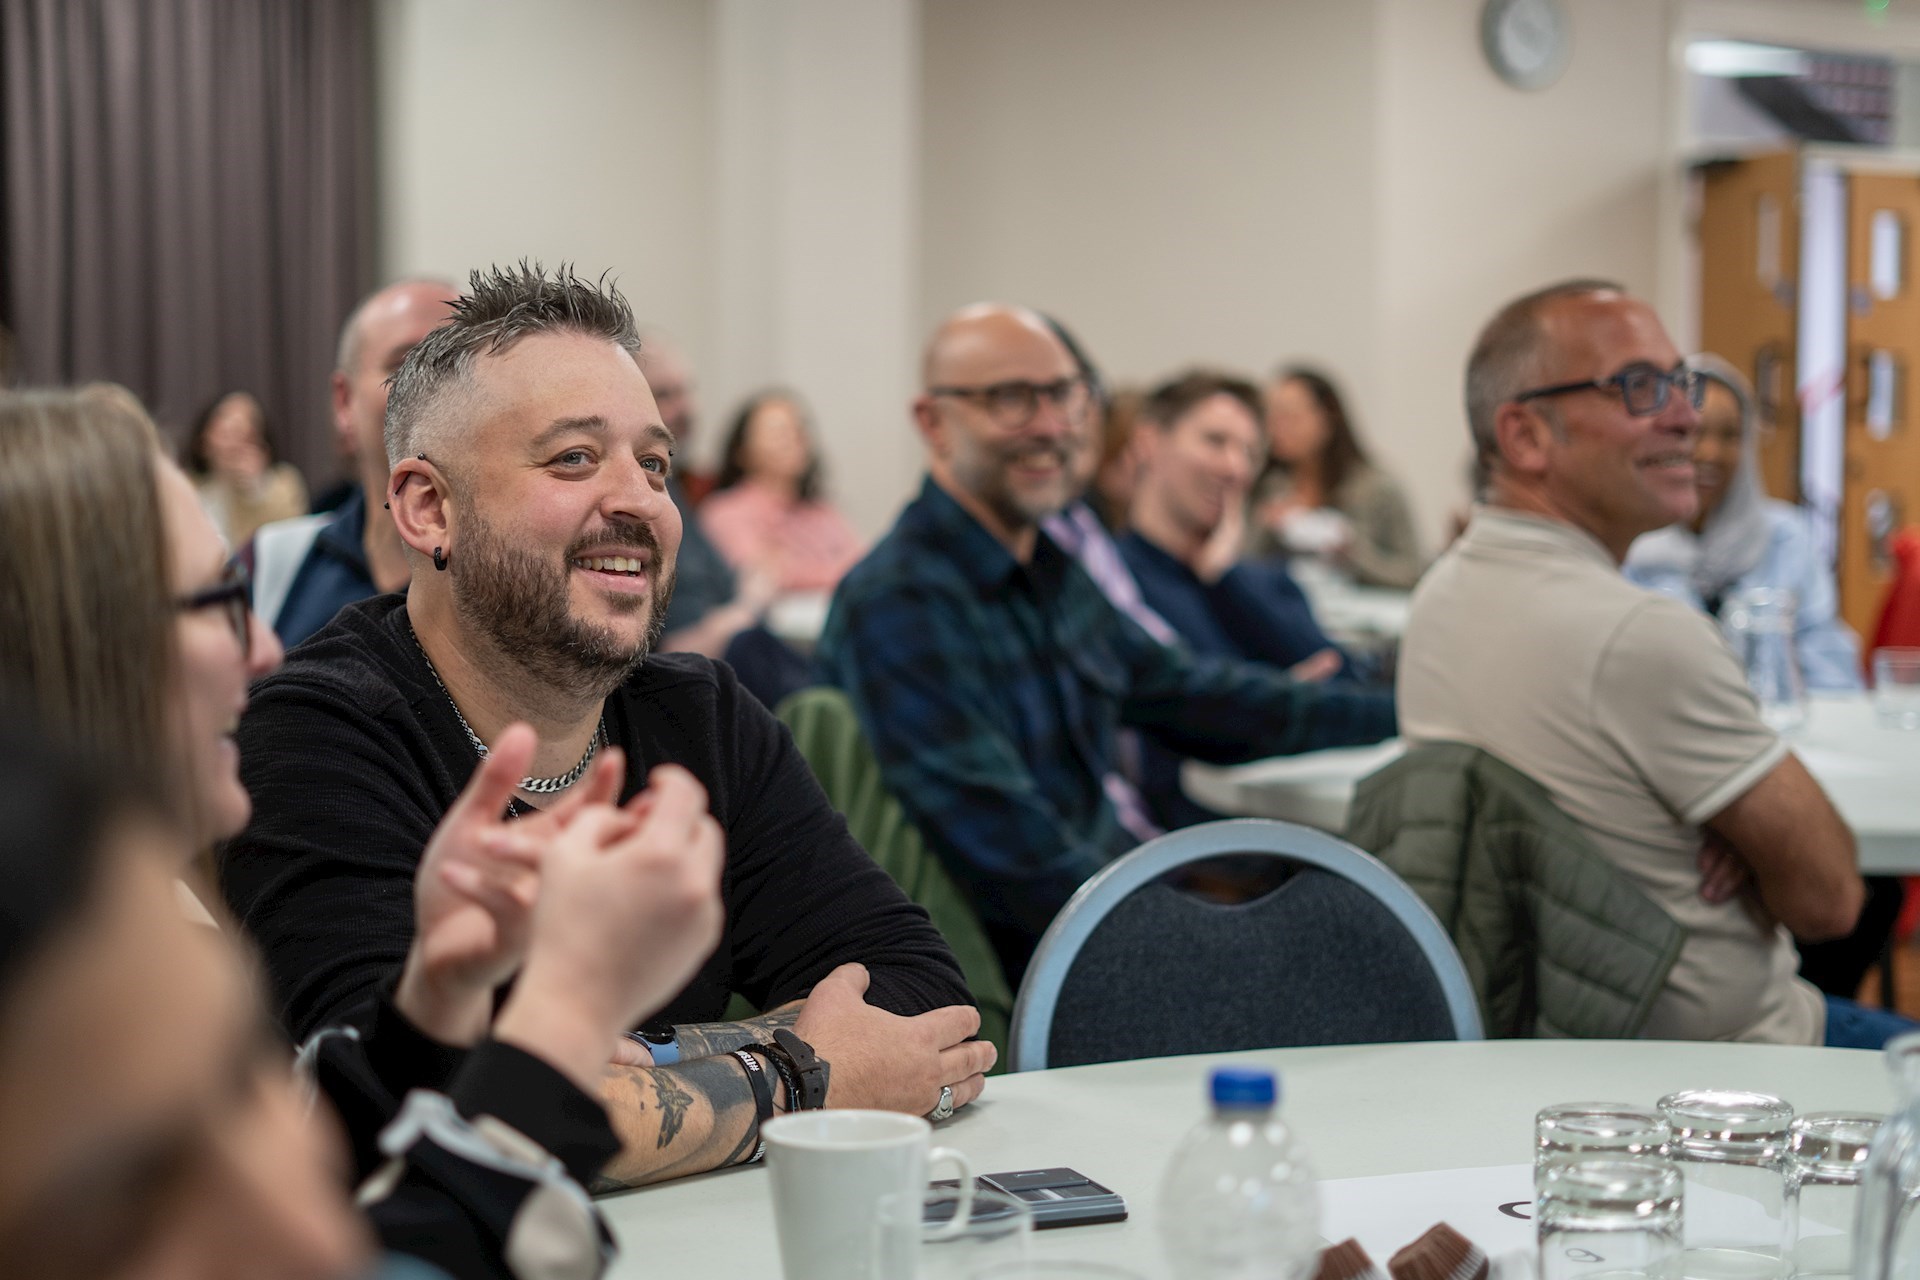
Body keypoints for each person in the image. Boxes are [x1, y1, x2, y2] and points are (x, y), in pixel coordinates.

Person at [221, 263, 987, 1189]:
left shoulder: (700, 716)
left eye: (655, 464)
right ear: (429, 508)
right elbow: (411, 1114)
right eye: (574, 458)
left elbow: (920, 995)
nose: (640, 502)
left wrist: (627, 1065)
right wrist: (798, 1071)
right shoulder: (317, 733)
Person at [0, 384, 727, 1278]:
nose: (265, 647)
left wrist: (431, 1012)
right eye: (217, 600)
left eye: (652, 464)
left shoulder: (135, 906)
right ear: (67, 648)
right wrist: (572, 1012)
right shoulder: (66, 951)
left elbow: (334, 1192)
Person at [814, 303, 1397, 983]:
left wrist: (1399, 712)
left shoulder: (1050, 572)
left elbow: (1195, 696)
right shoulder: (902, 599)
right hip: (1024, 982)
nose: (1053, 425)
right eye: (1010, 398)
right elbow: (1014, 858)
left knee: (1361, 928)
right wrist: (1201, 944)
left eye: (1066, 394)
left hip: (1107, 915)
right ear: (932, 423)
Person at [1397, 279, 1898, 1048]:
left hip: (1540, 1057)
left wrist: (1697, 828)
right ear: (1526, 436)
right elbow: (1830, 898)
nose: (1687, 416)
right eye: (1638, 387)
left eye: (1680, 383)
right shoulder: (1637, 633)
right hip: (1732, 1080)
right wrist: (1747, 848)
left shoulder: (1440, 599)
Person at [1624, 355, 1864, 690]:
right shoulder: (1628, 545)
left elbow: (1833, 676)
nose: (1711, 453)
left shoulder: (1785, 537)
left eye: (1730, 436)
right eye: (1694, 432)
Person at [246, 279, 461, 647]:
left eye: (458, 362)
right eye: (405, 363)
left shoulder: (522, 575)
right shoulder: (271, 565)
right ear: (344, 402)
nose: (437, 385)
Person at [1121, 370, 1349, 680]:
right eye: (1215, 441)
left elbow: (1340, 674)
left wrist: (1226, 575)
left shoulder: (1266, 583)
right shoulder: (1112, 579)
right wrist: (1283, 701)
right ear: (1149, 442)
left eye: (1250, 453)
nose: (1236, 468)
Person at [637, 333, 813, 706]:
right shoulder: (642, 503)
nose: (685, 407)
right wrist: (747, 604)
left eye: (686, 391)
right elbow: (672, 647)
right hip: (689, 683)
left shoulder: (678, 492)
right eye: (665, 395)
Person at [1252, 365, 1425, 589]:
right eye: (1271, 417)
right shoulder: (1270, 486)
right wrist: (1265, 527)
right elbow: (1242, 564)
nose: (1277, 428)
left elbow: (1412, 574)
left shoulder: (1377, 488)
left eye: (1290, 416)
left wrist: (1352, 552)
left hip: (1360, 619)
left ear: (1327, 417)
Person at [701, 390, 865, 593]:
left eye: (799, 430)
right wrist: (839, 573)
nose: (795, 440)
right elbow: (761, 576)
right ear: (742, 452)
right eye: (779, 432)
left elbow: (864, 570)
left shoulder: (824, 512)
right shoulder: (725, 513)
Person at [185, 390, 310, 546]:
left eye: (246, 429)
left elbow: (290, 541)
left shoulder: (283, 485)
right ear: (203, 441)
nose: (235, 440)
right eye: (226, 427)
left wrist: (255, 490)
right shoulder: (185, 488)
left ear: (263, 447)